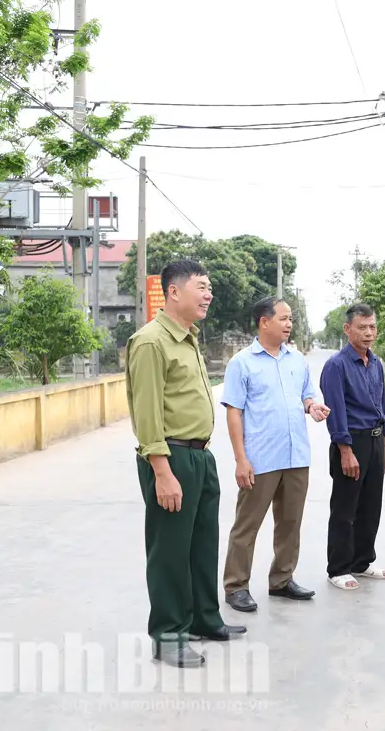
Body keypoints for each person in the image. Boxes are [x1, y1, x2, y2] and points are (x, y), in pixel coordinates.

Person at [125, 259, 246, 669]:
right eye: (201, 286)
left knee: (200, 546)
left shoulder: (187, 338)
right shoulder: (150, 342)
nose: (208, 294)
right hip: (170, 457)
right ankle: (169, 634)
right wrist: (162, 471)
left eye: (209, 286)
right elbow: (146, 414)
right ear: (173, 291)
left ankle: (203, 621)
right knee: (169, 551)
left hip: (200, 456)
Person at [220, 297, 331, 613]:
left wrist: (312, 406)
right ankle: (236, 586)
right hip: (261, 459)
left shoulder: (296, 360)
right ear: (263, 322)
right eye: (283, 318)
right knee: (247, 525)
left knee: (290, 523)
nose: (288, 324)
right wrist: (241, 459)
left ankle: (282, 579)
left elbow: (306, 395)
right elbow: (233, 412)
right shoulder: (242, 363)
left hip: (296, 456)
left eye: (291, 319)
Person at [319, 304, 385, 591]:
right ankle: (338, 568)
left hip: (375, 440)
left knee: (371, 504)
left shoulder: (376, 364)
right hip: (351, 441)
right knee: (345, 507)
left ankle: (362, 561)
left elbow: (381, 407)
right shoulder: (336, 365)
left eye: (372, 326)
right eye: (362, 327)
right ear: (347, 329)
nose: (369, 332)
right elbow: (336, 410)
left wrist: (384, 445)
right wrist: (345, 450)